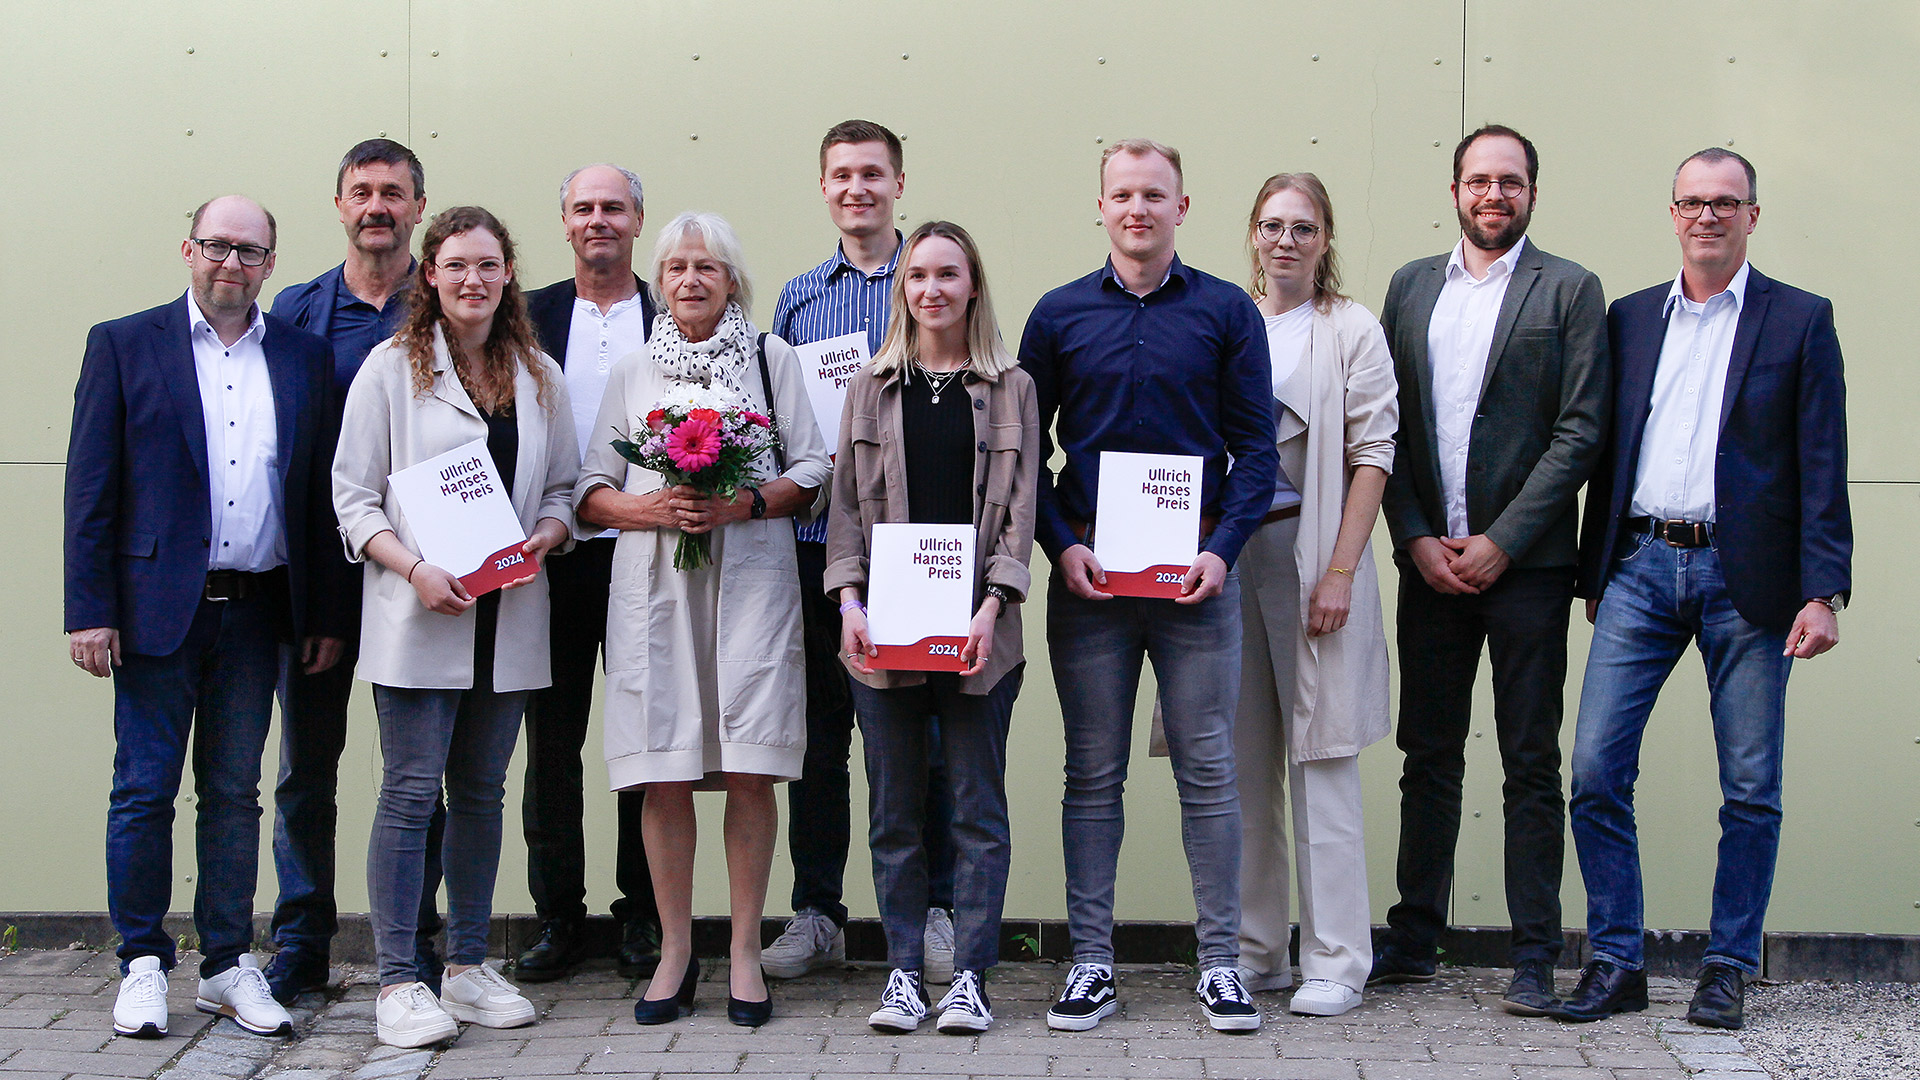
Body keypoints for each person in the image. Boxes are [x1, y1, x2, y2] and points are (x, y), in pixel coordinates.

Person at [1554, 148, 1851, 1030]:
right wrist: (1594, 573)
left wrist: (1823, 591)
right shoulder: (1630, 318)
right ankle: (1617, 961)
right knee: (1597, 773)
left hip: (1748, 579)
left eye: (1726, 202)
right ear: (1672, 213)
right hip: (1640, 568)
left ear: (1752, 215)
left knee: (1750, 785)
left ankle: (1726, 967)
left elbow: (1822, 464)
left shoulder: (1799, 320)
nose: (1708, 216)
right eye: (1692, 201)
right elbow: (1605, 451)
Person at [66, 195, 343, 1039]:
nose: (232, 263)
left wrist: (322, 611)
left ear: (270, 264)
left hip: (259, 613)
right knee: (144, 791)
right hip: (155, 612)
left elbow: (316, 497)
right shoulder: (124, 343)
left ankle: (226, 963)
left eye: (251, 252)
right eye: (218, 246)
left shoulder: (301, 356)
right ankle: (142, 961)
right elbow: (91, 485)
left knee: (234, 794)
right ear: (187, 248)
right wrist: (89, 609)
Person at [1021, 139, 1276, 1034]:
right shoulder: (1055, 317)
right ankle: (1091, 964)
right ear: (1100, 207)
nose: (1138, 208)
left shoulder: (1225, 311)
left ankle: (1221, 967)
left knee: (1209, 772)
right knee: (1092, 773)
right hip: (1089, 584)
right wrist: (1059, 546)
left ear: (1183, 205)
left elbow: (1257, 453)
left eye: (1154, 195)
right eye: (1123, 194)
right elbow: (1025, 456)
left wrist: (1224, 552)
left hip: (1195, 586)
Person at [1372, 124, 1609, 1016]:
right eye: (1479, 181)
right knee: (1426, 754)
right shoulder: (1410, 287)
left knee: (1527, 759)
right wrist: (1418, 536)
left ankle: (1535, 952)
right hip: (1431, 562)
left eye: (1510, 182)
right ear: (1456, 191)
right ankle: (1414, 935)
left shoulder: (1571, 290)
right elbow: (1382, 423)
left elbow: (1581, 429)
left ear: (1532, 194)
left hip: (1530, 568)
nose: (1493, 195)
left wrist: (1504, 538)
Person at [577, 212, 830, 1028]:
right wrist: (652, 508)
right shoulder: (632, 370)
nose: (691, 280)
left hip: (751, 578)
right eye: (677, 267)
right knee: (665, 766)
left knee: (750, 763)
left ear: (733, 281)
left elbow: (814, 469)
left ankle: (748, 951)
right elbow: (590, 489)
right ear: (659, 281)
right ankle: (677, 950)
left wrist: (744, 501)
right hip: (657, 585)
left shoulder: (771, 358)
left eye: (707, 267)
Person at [332, 206, 577, 1048]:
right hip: (421, 613)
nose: (473, 279)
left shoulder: (540, 373)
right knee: (408, 795)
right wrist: (414, 568)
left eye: (489, 265)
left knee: (480, 795)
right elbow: (353, 498)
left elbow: (564, 493)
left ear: (508, 275)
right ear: (428, 275)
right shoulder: (389, 370)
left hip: (507, 617)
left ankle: (469, 966)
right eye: (456, 265)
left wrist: (546, 537)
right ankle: (400, 978)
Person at [827, 221, 1039, 1035]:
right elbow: (845, 507)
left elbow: (1020, 512)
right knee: (896, 813)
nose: (932, 290)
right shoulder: (869, 387)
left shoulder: (1011, 385)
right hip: (884, 638)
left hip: (981, 634)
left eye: (948, 275)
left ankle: (972, 979)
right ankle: (906, 975)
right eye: (917, 276)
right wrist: (849, 605)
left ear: (973, 286)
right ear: (902, 289)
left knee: (977, 810)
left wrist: (993, 607)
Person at [765, 119, 961, 985]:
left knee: (922, 744)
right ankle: (817, 912)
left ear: (900, 183)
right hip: (817, 543)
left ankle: (932, 914)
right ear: (822, 187)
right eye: (841, 175)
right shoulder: (800, 298)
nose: (858, 189)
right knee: (819, 739)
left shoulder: (935, 277)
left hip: (915, 548)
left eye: (873, 174)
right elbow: (773, 423)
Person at [265, 137, 444, 1003]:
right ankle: (301, 937)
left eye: (394, 193)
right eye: (362, 191)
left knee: (422, 773)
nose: (378, 205)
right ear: (339, 205)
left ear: (419, 206)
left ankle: (425, 938)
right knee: (308, 768)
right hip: (323, 586)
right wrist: (313, 602)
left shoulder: (450, 306)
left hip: (426, 583)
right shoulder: (296, 314)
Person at [1231, 174, 1397, 1018]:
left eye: (1303, 226)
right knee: (1243, 761)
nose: (1285, 240)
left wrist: (1339, 571)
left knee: (1323, 760)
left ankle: (1335, 958)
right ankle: (1256, 950)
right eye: (1271, 225)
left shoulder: (1351, 329)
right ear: (1252, 236)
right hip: (1232, 564)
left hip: (1316, 559)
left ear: (1326, 237)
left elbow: (1374, 455)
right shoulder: (1227, 319)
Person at [515, 163, 663, 983]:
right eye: (583, 208)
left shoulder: (669, 309)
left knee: (643, 737)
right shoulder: (526, 315)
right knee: (553, 744)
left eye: (613, 207)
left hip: (650, 558)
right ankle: (557, 918)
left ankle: (641, 915)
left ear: (639, 219)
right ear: (564, 223)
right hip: (554, 557)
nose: (598, 220)